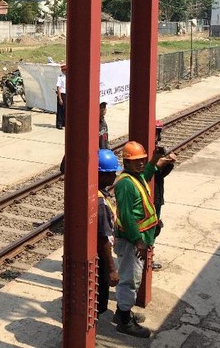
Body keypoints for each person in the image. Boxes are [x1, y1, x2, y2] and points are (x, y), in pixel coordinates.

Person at [113, 141, 172, 338]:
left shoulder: (135, 178)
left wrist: (154, 160)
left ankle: (123, 312)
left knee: (132, 278)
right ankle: (123, 321)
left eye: (141, 160)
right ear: (126, 162)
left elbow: (146, 176)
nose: (140, 164)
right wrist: (138, 239)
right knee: (130, 280)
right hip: (131, 241)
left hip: (137, 239)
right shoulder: (125, 184)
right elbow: (127, 216)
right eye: (135, 161)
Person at [96, 149, 121, 317]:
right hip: (100, 260)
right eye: (111, 173)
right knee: (98, 300)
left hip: (98, 256)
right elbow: (103, 237)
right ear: (101, 175)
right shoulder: (100, 203)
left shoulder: (96, 194)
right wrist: (112, 268)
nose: (114, 177)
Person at [151, 120, 177, 271]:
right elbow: (148, 172)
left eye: (157, 131)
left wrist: (169, 164)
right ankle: (145, 258)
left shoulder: (159, 149)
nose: (156, 134)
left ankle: (150, 255)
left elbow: (160, 175)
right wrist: (161, 163)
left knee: (155, 228)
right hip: (149, 196)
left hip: (158, 194)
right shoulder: (143, 149)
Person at [55, 64, 67, 129]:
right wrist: (60, 98)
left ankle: (64, 123)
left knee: (66, 110)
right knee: (60, 110)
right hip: (62, 94)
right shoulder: (60, 77)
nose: (65, 71)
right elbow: (58, 88)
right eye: (64, 70)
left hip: (67, 94)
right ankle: (59, 124)